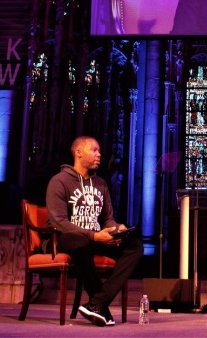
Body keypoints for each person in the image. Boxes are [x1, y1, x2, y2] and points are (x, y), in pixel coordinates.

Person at [45, 136, 143, 327]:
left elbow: (107, 218)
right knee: (80, 243)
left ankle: (97, 302)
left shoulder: (101, 184)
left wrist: (116, 230)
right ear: (79, 153)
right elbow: (60, 222)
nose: (99, 154)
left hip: (95, 239)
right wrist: (94, 235)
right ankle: (99, 305)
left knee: (135, 247)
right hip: (63, 238)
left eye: (99, 151)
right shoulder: (59, 181)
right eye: (94, 150)